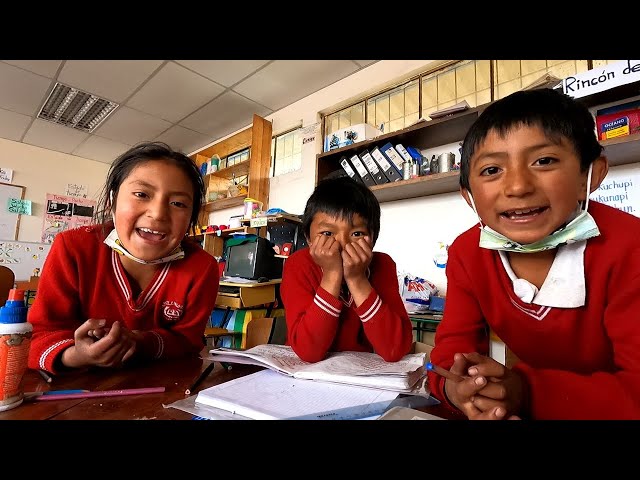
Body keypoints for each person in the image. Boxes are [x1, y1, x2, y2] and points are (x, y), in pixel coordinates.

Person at [427, 87, 640, 420]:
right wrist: (459, 391)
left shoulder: (631, 247)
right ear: (468, 195)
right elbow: (451, 352)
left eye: (544, 161)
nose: (518, 187)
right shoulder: (467, 253)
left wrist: (525, 391)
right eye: (491, 170)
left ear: (591, 173)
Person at [28, 142, 219, 374]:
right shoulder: (74, 247)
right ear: (112, 201)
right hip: (73, 393)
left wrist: (139, 342)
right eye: (141, 194)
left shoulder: (202, 267)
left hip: (160, 392)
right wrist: (77, 355)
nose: (158, 214)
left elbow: (187, 341)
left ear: (191, 217)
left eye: (178, 203)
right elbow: (38, 335)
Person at [281, 175, 413, 363]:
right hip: (303, 375)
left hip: (358, 375)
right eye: (327, 233)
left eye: (357, 233)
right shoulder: (298, 265)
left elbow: (395, 349)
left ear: (373, 240)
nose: (342, 244)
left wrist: (357, 279)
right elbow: (308, 352)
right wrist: (332, 275)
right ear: (308, 239)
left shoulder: (383, 265)